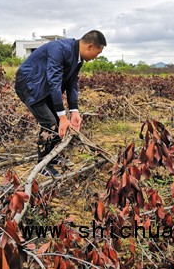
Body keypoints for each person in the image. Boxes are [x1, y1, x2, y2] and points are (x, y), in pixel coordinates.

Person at [15, 30, 106, 176]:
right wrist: (63, 117)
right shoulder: (60, 49)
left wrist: (74, 110)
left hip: (43, 86)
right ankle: (42, 164)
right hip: (29, 85)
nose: (96, 57)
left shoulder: (78, 59)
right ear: (90, 46)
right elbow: (54, 82)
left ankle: (52, 157)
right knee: (50, 123)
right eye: (98, 53)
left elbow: (72, 84)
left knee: (58, 121)